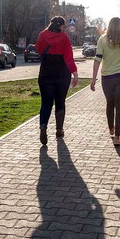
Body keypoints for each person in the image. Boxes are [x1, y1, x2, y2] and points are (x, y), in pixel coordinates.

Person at [90, 17, 120, 146]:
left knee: (110, 103)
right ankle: (117, 137)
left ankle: (111, 128)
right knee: (119, 105)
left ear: (109, 26)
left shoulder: (102, 39)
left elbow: (97, 59)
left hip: (107, 78)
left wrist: (93, 79)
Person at [35, 16, 79, 145]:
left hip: (46, 73)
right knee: (60, 102)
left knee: (46, 103)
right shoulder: (64, 38)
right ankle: (59, 130)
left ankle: (43, 127)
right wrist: (74, 73)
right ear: (61, 26)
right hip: (62, 74)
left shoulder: (42, 35)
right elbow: (69, 58)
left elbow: (38, 49)